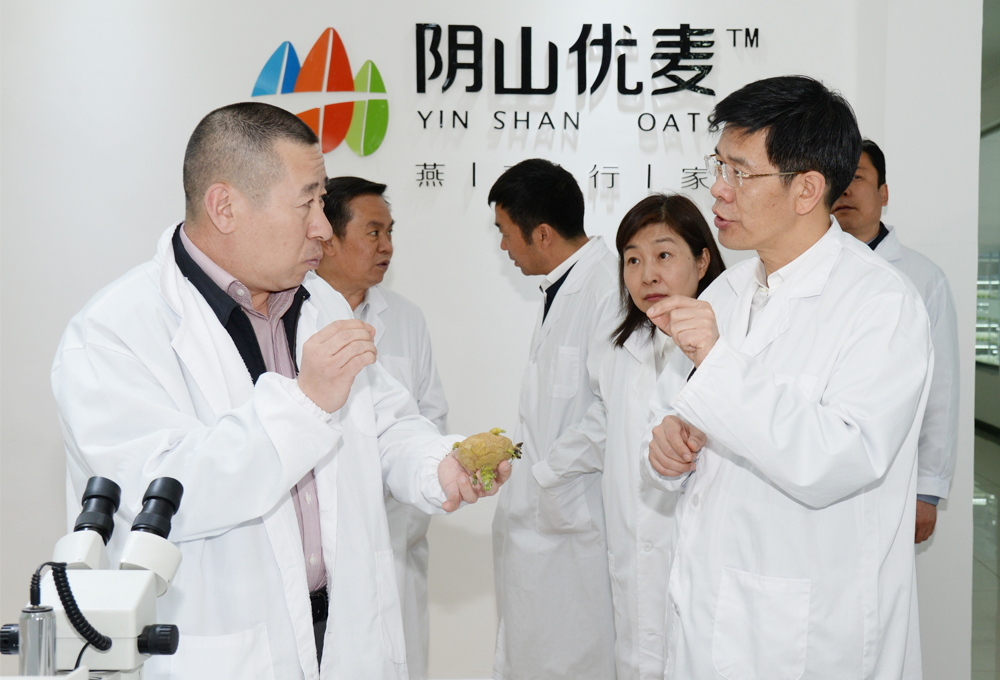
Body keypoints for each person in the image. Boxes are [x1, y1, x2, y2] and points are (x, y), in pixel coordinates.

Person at [51, 102, 507, 680]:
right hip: (219, 649)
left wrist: (436, 462)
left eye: (322, 202)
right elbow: (159, 497)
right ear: (225, 207)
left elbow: (384, 422)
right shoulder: (113, 334)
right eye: (307, 203)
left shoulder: (319, 303)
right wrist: (305, 404)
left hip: (341, 632)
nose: (323, 227)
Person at [641, 76, 933, 678]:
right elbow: (687, 417)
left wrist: (717, 363)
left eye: (740, 172)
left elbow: (837, 457)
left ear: (806, 189)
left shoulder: (881, 303)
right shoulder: (726, 292)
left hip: (810, 632)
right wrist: (672, 445)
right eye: (718, 165)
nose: (718, 189)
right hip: (710, 608)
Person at [532, 193, 725, 680]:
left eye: (664, 255)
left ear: (702, 261)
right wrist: (546, 471)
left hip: (703, 564)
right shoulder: (622, 347)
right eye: (633, 260)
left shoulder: (729, 348)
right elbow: (606, 421)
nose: (647, 275)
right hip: (632, 557)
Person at [306, 176, 448, 680]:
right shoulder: (293, 313)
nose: (387, 246)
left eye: (390, 232)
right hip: (318, 550)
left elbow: (427, 416)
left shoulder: (406, 318)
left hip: (395, 533)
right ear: (328, 238)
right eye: (373, 232)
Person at [489, 159, 619, 680]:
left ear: (542, 234)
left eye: (505, 232)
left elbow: (616, 410)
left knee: (573, 658)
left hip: (575, 520)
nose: (503, 246)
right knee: (536, 654)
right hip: (547, 520)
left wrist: (547, 472)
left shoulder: (607, 288)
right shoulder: (562, 288)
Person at [833, 139, 960, 543]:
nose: (845, 190)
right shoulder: (802, 271)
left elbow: (941, 388)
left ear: (883, 193)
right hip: (817, 468)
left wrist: (928, 489)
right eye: (838, 178)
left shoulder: (923, 278)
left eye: (857, 178)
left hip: (894, 474)